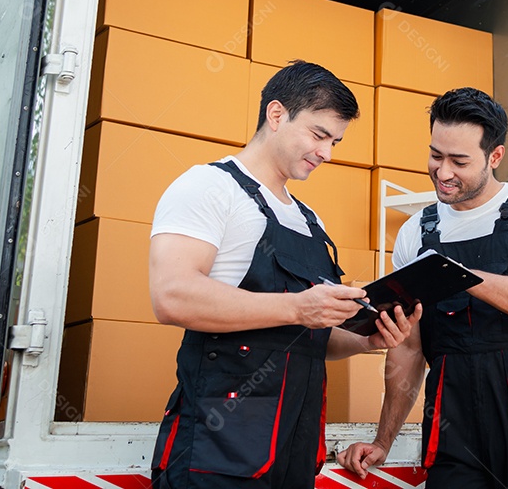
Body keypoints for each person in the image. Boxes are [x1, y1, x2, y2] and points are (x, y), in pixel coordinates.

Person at [148, 60, 420, 489]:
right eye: (318, 135)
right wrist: (297, 307)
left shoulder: (310, 221)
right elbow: (172, 296)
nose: (327, 153)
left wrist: (366, 339)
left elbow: (310, 336)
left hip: (293, 452)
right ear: (276, 114)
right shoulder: (208, 188)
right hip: (216, 453)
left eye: (335, 141)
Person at [338, 87, 508, 488]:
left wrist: (456, 274)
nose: (443, 172)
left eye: (459, 161)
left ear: (495, 156)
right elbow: (408, 348)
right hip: (453, 430)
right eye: (436, 156)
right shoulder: (416, 232)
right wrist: (383, 440)